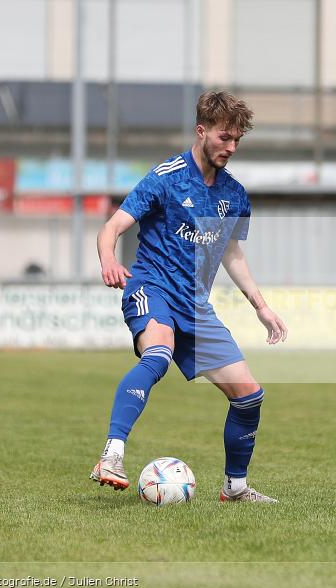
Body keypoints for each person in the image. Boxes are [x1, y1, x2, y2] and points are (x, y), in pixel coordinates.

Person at [90, 91, 287, 503]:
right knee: (158, 354)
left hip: (195, 306)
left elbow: (231, 253)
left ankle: (235, 488)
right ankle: (111, 455)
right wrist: (109, 260)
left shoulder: (234, 195)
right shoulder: (166, 177)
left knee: (249, 396)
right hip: (152, 287)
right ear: (201, 131)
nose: (231, 148)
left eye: (237, 140)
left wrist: (261, 306)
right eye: (224, 137)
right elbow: (111, 227)